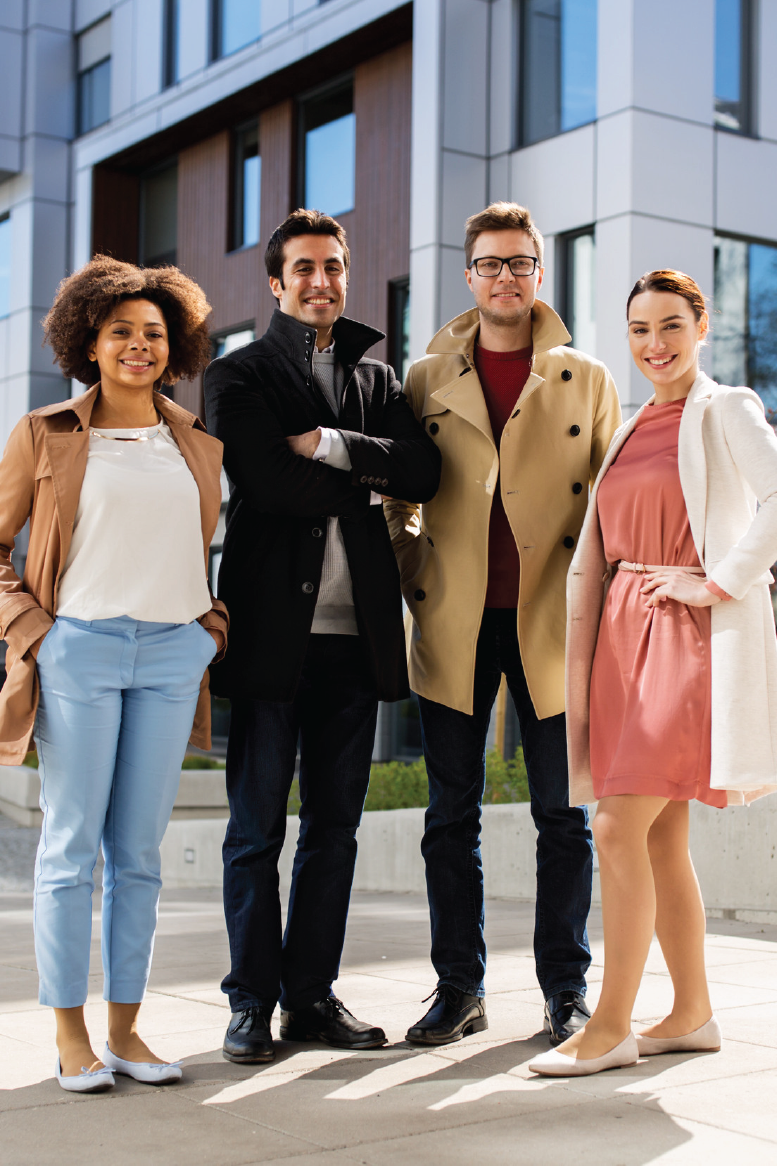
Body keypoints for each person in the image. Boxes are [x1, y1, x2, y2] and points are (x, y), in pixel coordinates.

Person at [204, 208, 441, 1064]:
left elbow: (426, 471)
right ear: (275, 283)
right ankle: (247, 1004)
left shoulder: (383, 384)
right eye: (302, 268)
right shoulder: (238, 377)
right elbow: (269, 484)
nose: (321, 281)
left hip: (355, 641)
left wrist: (333, 444)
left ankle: (310, 1000)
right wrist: (368, 480)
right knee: (255, 832)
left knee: (333, 833)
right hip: (272, 639)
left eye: (334, 267)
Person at [529, 269, 777, 1078]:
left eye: (670, 325)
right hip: (620, 633)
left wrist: (719, 581)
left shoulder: (725, 407)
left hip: (682, 632)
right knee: (661, 834)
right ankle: (692, 1012)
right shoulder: (631, 424)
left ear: (700, 326)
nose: (654, 344)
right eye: (638, 329)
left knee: (612, 826)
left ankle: (608, 1026)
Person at [385, 202, 621, 1046]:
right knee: (451, 814)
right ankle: (459, 989)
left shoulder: (585, 377)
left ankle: (566, 989)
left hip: (555, 619)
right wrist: (414, 570)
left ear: (539, 275)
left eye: (520, 263)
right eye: (490, 264)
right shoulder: (422, 378)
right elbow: (399, 494)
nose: (506, 278)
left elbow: (609, 504)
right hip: (452, 617)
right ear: (467, 275)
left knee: (562, 814)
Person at [0, 256, 228, 1093]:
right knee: (69, 850)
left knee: (137, 855)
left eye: (155, 334)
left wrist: (211, 627)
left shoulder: (196, 442)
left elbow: (199, 550)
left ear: (177, 346)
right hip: (81, 651)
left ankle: (128, 1031)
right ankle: (69, 1037)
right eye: (121, 332)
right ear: (88, 342)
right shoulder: (47, 431)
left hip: (172, 654)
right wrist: (37, 631)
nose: (139, 345)